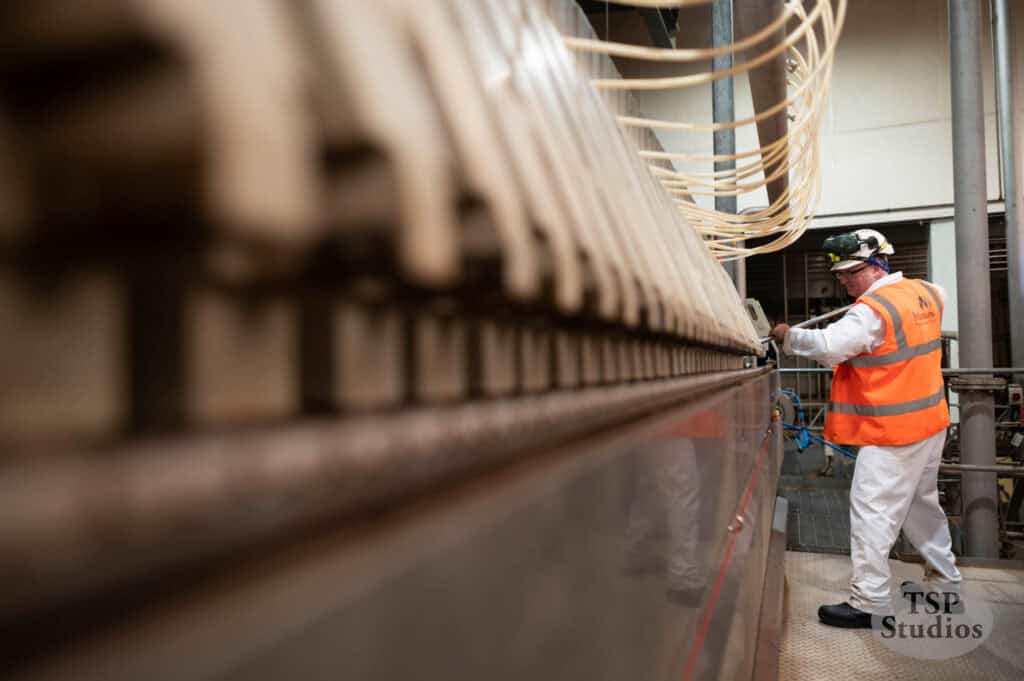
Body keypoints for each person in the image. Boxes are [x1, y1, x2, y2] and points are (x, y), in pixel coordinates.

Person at [770, 228, 961, 629]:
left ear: (876, 265)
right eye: (840, 275)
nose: (843, 281)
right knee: (921, 507)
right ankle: (945, 589)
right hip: (930, 423)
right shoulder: (927, 291)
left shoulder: (872, 311)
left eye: (850, 273)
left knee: (873, 512)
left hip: (892, 431)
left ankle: (870, 602)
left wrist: (789, 338)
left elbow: (830, 347)